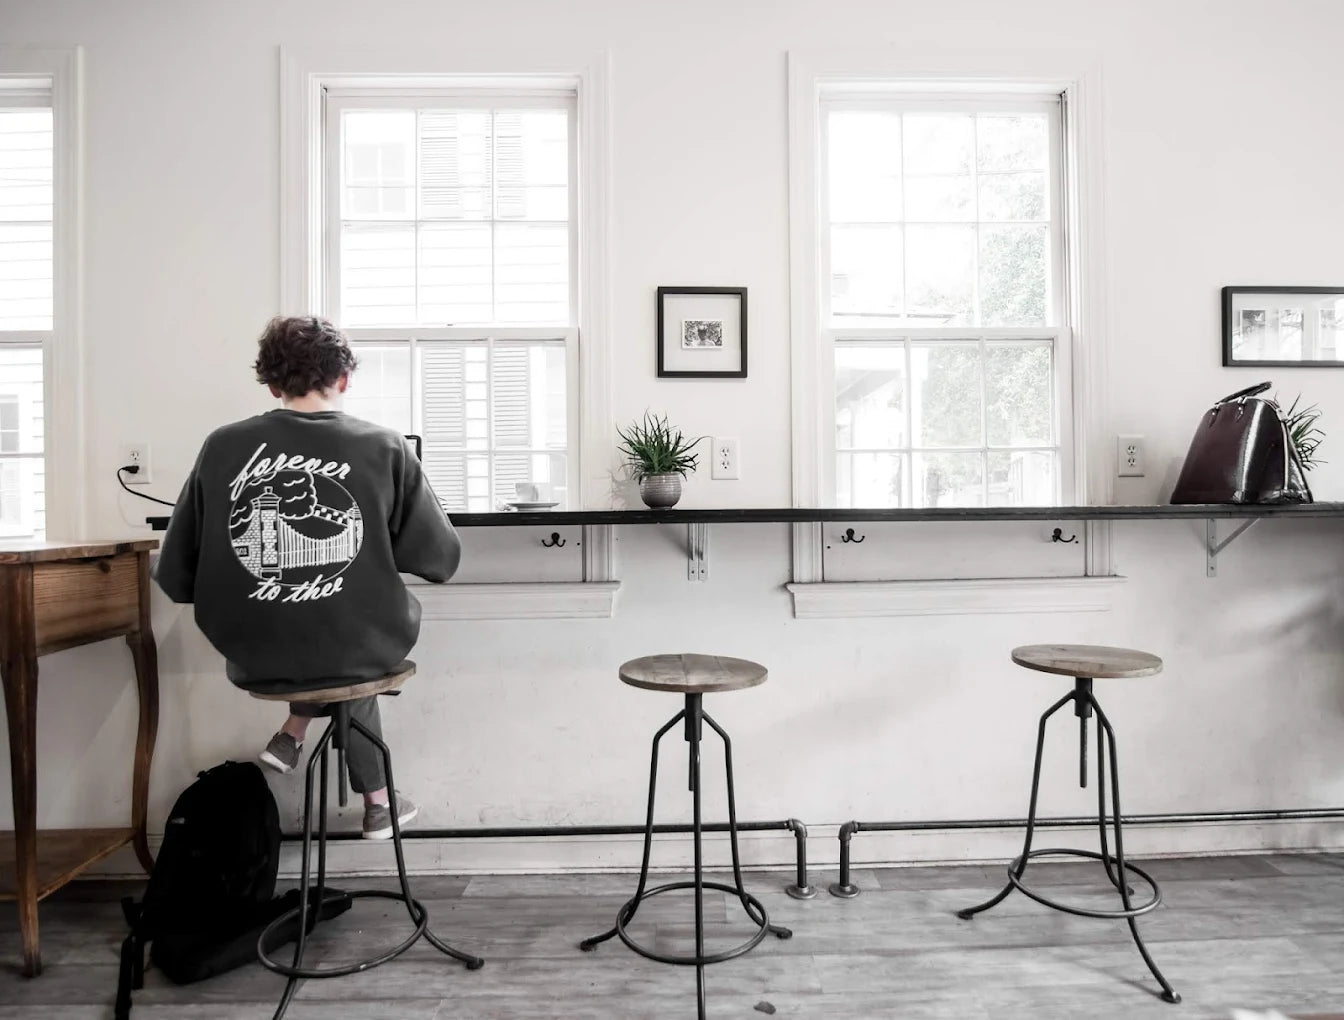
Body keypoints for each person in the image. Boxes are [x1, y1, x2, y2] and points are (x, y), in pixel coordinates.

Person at [154, 315, 460, 839]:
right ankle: (377, 800)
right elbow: (441, 560)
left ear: (272, 384)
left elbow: (176, 577)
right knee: (350, 638)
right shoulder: (386, 446)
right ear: (345, 378)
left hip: (256, 651)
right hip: (356, 646)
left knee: (326, 634)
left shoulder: (221, 446)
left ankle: (295, 734)